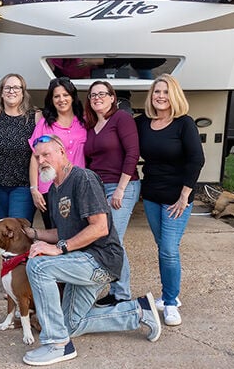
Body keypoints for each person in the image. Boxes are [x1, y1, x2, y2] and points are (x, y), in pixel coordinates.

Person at [20, 135, 162, 366]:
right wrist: (33, 234)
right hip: (79, 261)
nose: (41, 160)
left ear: (62, 152)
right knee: (70, 325)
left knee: (38, 267)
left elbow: (100, 227)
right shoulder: (54, 190)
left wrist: (59, 248)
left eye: (46, 154)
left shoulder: (83, 178)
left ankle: (57, 344)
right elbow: (63, 232)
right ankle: (138, 311)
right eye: (37, 157)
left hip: (101, 260)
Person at [135, 74, 205, 327]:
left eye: (165, 92)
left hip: (177, 198)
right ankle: (169, 293)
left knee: (168, 249)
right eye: (157, 92)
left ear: (174, 95)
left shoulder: (184, 123)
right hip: (152, 195)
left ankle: (171, 301)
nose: (160, 96)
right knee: (163, 246)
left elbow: (196, 160)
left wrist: (184, 196)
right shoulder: (142, 123)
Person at [83, 80, 141, 307]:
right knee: (104, 238)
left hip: (122, 186)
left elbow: (133, 153)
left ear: (112, 97)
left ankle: (121, 294)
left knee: (113, 238)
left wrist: (120, 189)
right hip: (97, 189)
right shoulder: (90, 125)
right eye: (93, 95)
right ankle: (116, 290)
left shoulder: (122, 119)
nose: (97, 97)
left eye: (102, 93)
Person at [29, 77, 87, 229]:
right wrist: (34, 189)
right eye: (56, 96)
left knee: (78, 232)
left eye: (65, 95)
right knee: (54, 233)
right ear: (51, 99)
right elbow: (35, 157)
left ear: (73, 96)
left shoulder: (84, 121)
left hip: (77, 187)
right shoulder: (45, 124)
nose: (61, 99)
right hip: (49, 188)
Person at [0, 73, 37, 222]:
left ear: (23, 92)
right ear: (1, 92)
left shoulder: (34, 117)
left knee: (16, 228)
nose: (12, 91)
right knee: (4, 230)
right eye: (8, 87)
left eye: (17, 87)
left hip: (24, 185)